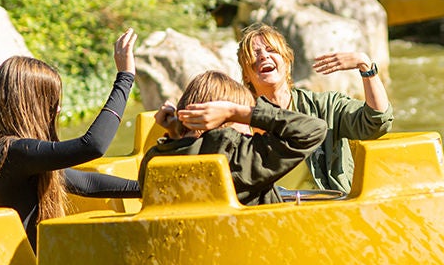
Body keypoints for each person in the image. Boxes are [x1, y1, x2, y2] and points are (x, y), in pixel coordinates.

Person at [0, 30, 142, 249]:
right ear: (31, 105)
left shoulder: (1, 150)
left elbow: (86, 183)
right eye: (52, 101)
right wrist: (125, 78)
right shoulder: (12, 152)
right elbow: (93, 146)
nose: (58, 109)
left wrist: (149, 187)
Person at [236, 24, 392, 194]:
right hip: (270, 212)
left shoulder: (326, 107)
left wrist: (366, 66)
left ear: (287, 63)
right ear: (245, 74)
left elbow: (377, 121)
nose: (264, 56)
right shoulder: (238, 122)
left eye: (271, 50)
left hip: (325, 208)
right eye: (255, 53)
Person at [139, 70, 329, 205]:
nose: (250, 130)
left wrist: (175, 136)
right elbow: (314, 130)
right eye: (244, 122)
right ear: (221, 117)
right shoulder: (239, 155)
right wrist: (237, 112)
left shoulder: (154, 160)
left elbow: (189, 151)